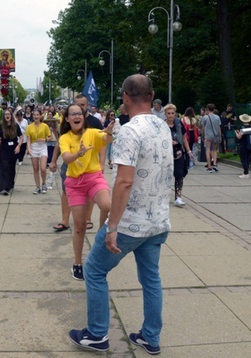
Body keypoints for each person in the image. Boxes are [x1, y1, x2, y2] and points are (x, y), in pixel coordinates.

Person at [69, 74, 173, 355]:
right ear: (151, 96)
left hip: (131, 222)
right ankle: (151, 337)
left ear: (125, 98)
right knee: (151, 278)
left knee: (93, 269)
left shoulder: (129, 131)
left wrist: (112, 225)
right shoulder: (164, 127)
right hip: (157, 220)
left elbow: (124, 182)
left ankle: (97, 333)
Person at [59, 104, 114, 280]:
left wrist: (111, 131)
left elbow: (106, 138)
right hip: (74, 184)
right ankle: (77, 263)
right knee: (80, 226)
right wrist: (79, 154)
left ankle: (100, 236)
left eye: (79, 113)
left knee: (107, 204)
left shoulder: (91, 133)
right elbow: (66, 158)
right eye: (72, 114)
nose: (76, 116)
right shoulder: (64, 138)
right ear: (67, 119)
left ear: (83, 117)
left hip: (93, 177)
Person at [74, 94, 104, 230]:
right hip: (73, 164)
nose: (80, 107)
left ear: (87, 106)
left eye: (83, 104)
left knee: (89, 194)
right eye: (77, 104)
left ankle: (87, 218)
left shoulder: (95, 122)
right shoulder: (70, 121)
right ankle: (75, 217)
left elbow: (102, 144)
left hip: (91, 165)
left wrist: (102, 164)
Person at [164, 103, 193, 207]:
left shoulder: (179, 124)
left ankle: (178, 196)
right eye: (168, 113)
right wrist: (167, 141)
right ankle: (164, 195)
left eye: (172, 113)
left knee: (179, 174)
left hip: (178, 152)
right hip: (166, 154)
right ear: (165, 114)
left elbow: (184, 138)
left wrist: (189, 151)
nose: (171, 115)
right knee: (165, 175)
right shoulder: (162, 125)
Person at [0, 108, 22, 195]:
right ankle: (4, 187)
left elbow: (21, 137)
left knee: (11, 168)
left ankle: (10, 184)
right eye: (5, 114)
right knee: (4, 166)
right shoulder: (0, 126)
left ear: (11, 115)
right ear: (4, 116)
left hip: (13, 148)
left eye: (8, 114)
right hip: (4, 148)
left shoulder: (16, 125)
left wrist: (19, 146)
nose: (7, 116)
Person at [26, 108, 50, 194]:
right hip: (34, 147)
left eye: (37, 115)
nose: (36, 116)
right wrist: (29, 148)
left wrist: (45, 140)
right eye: (34, 115)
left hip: (42, 147)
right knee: (35, 168)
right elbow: (28, 139)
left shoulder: (45, 126)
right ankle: (37, 187)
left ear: (40, 116)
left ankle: (44, 184)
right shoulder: (29, 127)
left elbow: (50, 137)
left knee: (43, 168)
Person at [200, 103, 222, 173]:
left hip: (208, 136)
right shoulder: (217, 117)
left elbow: (203, 128)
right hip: (215, 136)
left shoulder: (205, 117)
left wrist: (202, 135)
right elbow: (219, 128)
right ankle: (215, 164)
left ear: (207, 109)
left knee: (208, 150)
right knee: (215, 150)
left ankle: (209, 167)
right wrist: (220, 136)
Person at [235, 114, 251, 179]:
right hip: (250, 145)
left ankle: (246, 173)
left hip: (243, 145)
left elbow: (239, 137)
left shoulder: (242, 128)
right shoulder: (250, 127)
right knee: (248, 159)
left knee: (243, 159)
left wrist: (236, 133)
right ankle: (246, 171)